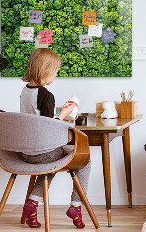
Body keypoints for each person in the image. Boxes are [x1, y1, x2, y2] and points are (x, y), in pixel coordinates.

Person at [20, 48, 90, 229]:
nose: (55, 75)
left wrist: (60, 116)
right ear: (46, 71)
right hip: (43, 152)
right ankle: (76, 206)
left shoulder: (25, 91)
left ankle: (32, 204)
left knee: (50, 163)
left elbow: (37, 120)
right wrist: (65, 114)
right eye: (55, 71)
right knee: (85, 160)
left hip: (26, 152)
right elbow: (48, 127)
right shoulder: (46, 95)